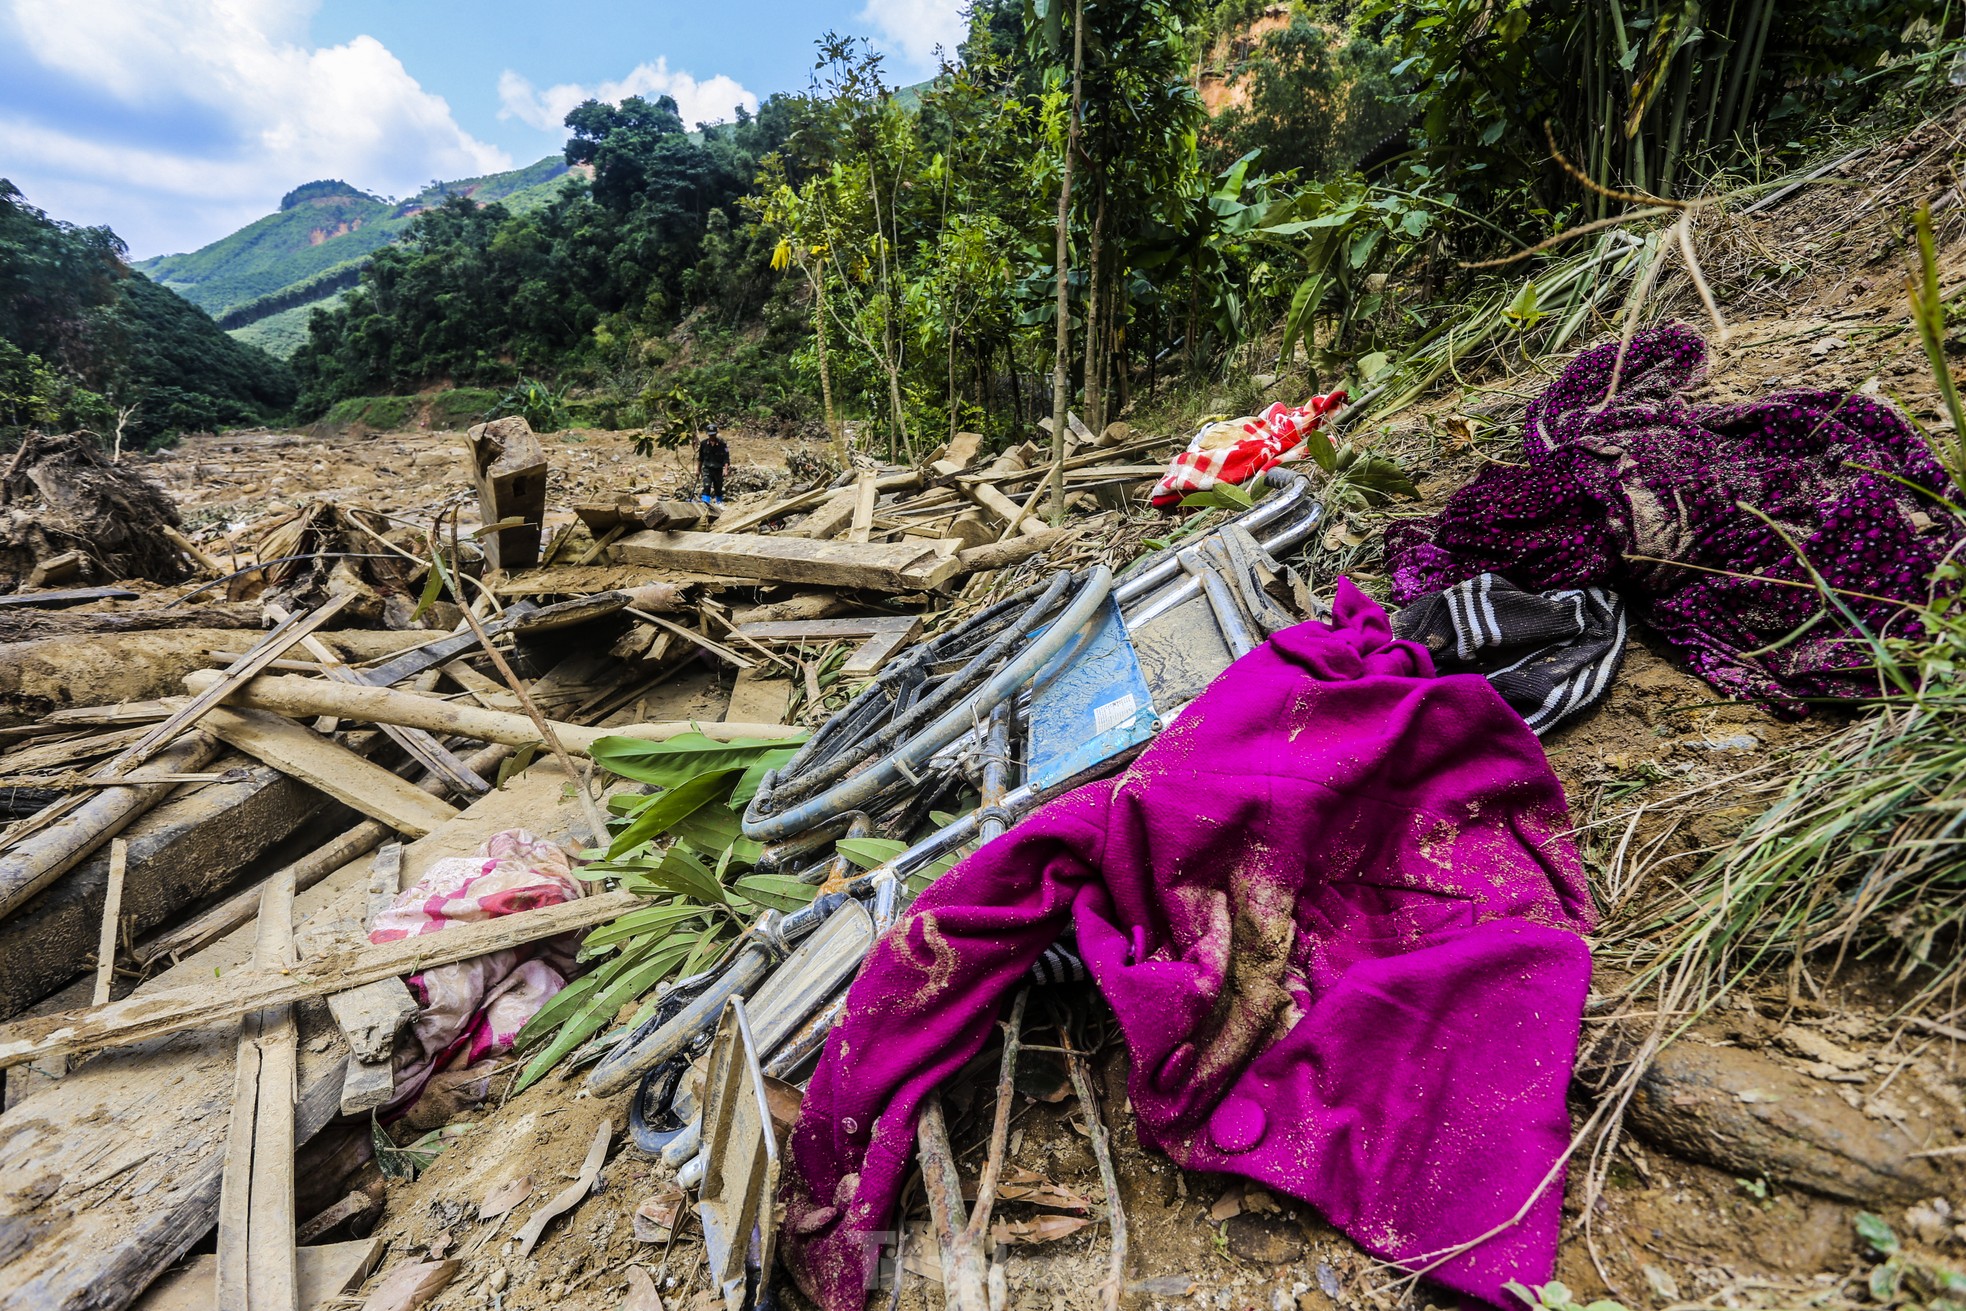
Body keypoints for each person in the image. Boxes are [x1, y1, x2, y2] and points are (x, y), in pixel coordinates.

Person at [696, 422, 730, 503]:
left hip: (718, 469)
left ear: (716, 434)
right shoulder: (704, 444)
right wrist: (698, 470)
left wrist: (725, 470)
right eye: (710, 435)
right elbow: (700, 458)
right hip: (707, 469)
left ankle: (719, 503)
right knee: (706, 486)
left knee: (718, 488)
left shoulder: (723, 445)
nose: (711, 437)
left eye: (713, 435)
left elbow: (726, 458)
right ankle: (706, 503)